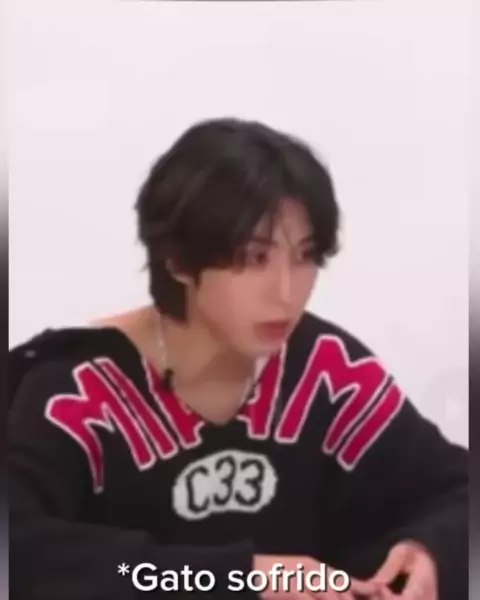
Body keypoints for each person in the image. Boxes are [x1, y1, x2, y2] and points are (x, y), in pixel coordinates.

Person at [9, 118, 467, 600]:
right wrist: (235, 576)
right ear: (178, 260)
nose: (286, 292)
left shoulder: (325, 370)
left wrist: (432, 550)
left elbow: (456, 489)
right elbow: (24, 554)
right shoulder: (76, 391)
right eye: (254, 258)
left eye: (305, 256)